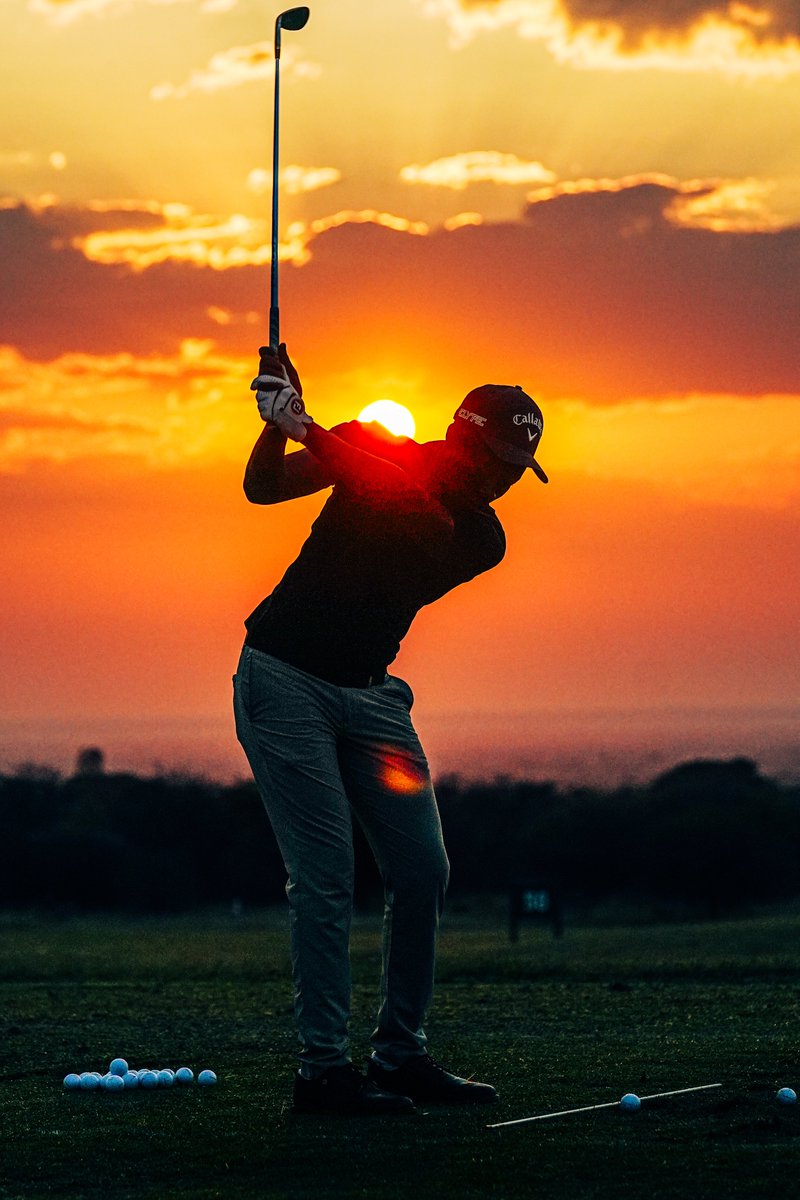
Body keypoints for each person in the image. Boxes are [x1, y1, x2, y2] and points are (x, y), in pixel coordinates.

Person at [233, 343, 548, 1116]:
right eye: (502, 461)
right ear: (464, 439)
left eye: (520, 469)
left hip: (373, 701)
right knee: (326, 877)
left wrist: (310, 427)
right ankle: (322, 1073)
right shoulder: (370, 449)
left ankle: (401, 1055)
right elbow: (263, 488)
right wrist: (277, 423)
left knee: (421, 870)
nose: (508, 481)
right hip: (283, 680)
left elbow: (410, 512)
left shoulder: (479, 536)